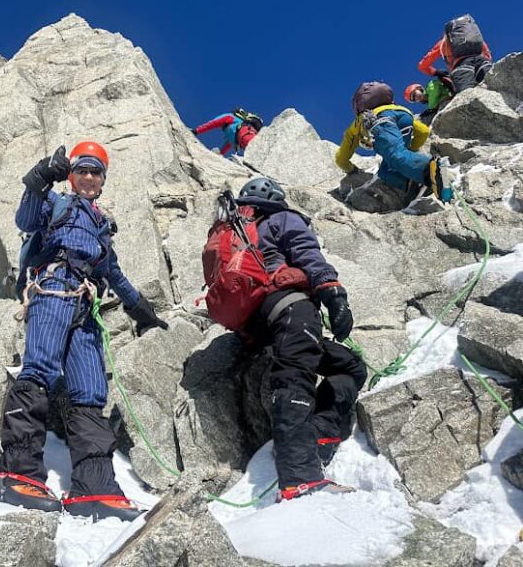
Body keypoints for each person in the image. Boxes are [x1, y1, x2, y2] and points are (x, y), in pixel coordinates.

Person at [0, 141, 168, 521]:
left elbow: (113, 273)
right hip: (54, 286)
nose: (88, 177)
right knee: (39, 370)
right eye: (82, 170)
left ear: (102, 180)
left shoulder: (102, 228)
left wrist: (140, 309)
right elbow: (25, 220)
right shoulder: (57, 203)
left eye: (95, 172)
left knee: (89, 393)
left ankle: (95, 486)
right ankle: (18, 472)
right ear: (72, 175)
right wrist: (39, 180)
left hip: (85, 305)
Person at [233, 177, 367, 500]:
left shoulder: (240, 236)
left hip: (264, 323)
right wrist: (334, 294)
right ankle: (299, 477)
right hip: (293, 309)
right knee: (294, 379)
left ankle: (317, 435)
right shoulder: (283, 219)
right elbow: (307, 253)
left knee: (351, 367)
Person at [335, 81, 455, 203]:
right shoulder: (394, 108)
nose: (369, 145)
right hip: (405, 115)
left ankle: (431, 171)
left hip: (379, 120)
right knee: (385, 171)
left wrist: (351, 169)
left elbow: (341, 159)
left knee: (394, 155)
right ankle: (413, 183)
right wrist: (410, 151)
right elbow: (423, 131)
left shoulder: (360, 122)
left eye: (365, 143)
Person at [418, 14, 492, 93]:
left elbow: (422, 66)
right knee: (492, 86)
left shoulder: (443, 43)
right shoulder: (472, 37)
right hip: (482, 61)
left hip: (462, 66)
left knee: (466, 95)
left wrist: (435, 72)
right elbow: (487, 54)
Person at [192, 108, 263, 156]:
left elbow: (212, 124)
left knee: (257, 150)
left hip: (244, 133)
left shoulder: (230, 117)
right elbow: (229, 144)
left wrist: (196, 131)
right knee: (258, 152)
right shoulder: (231, 133)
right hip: (244, 137)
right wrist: (221, 154)